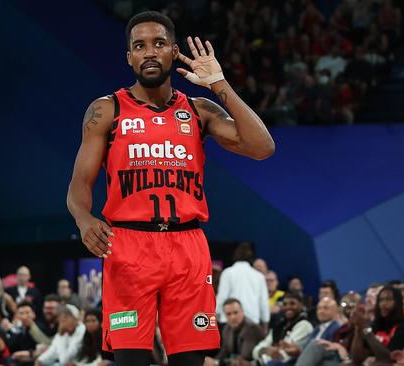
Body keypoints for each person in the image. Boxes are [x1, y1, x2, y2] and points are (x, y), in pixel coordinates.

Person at [66, 10, 274, 366]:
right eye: (140, 46)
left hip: (187, 246)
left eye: (159, 43)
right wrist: (84, 219)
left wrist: (219, 85)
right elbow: (79, 184)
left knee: (191, 361)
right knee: (131, 360)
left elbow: (262, 147)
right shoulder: (107, 110)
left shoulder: (199, 110)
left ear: (174, 51)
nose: (149, 52)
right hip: (129, 246)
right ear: (129, 57)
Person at [204, 298, 263, 366]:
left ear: (242, 311)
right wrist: (213, 361)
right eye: (229, 314)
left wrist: (216, 363)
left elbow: (244, 358)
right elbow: (224, 352)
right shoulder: (227, 328)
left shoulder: (252, 329)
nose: (233, 317)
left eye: (235, 312)